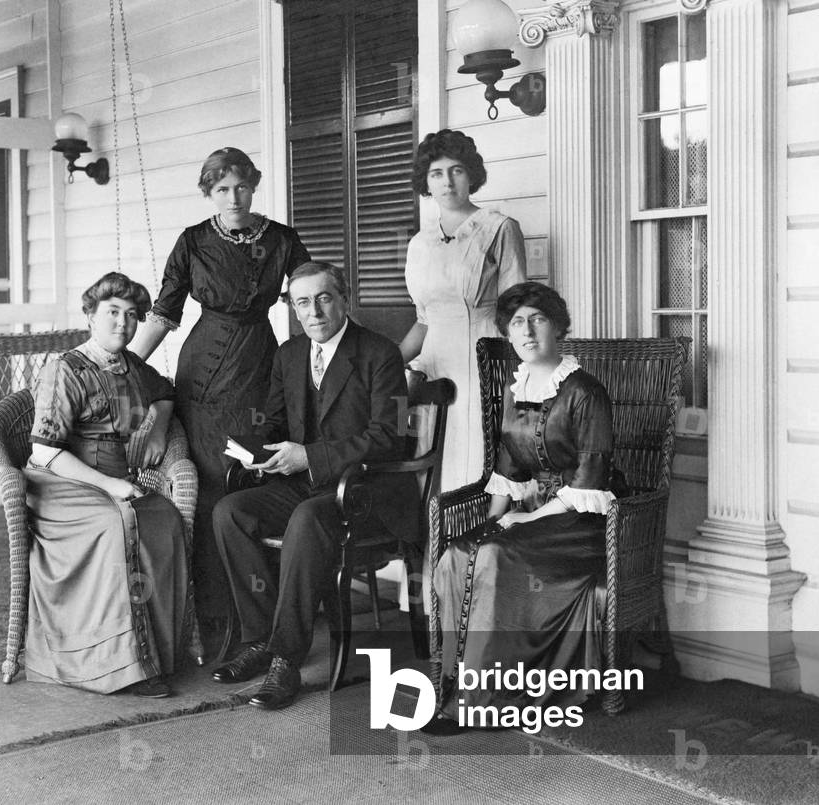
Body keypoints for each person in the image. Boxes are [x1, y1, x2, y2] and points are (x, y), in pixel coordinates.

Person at [210, 261, 417, 711]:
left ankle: (287, 658)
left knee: (307, 518)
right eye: (303, 302)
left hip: (365, 492)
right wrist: (254, 454)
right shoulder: (288, 355)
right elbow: (275, 422)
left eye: (324, 298)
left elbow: (390, 436)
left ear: (344, 298)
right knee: (231, 511)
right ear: (294, 309)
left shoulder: (380, 354)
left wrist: (311, 456)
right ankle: (260, 639)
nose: (314, 311)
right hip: (306, 484)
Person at [425, 282, 617, 734]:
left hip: (583, 525)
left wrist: (524, 519)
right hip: (533, 517)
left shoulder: (587, 392)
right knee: (458, 552)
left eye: (538, 319)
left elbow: (590, 480)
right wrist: (490, 524)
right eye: (516, 322)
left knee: (494, 555)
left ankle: (485, 700)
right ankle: (455, 682)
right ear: (508, 334)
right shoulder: (517, 389)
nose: (527, 331)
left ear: (558, 327)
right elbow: (509, 471)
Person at [130, 147, 310, 625]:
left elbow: (309, 303)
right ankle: (207, 615)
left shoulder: (284, 240)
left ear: (254, 186)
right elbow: (164, 314)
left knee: (251, 475)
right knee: (207, 482)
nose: (234, 196)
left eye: (241, 186)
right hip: (203, 371)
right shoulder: (192, 241)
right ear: (209, 193)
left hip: (260, 365)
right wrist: (122, 365)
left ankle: (260, 609)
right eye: (222, 189)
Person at [24, 272, 188, 697]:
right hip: (62, 482)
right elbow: (45, 453)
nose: (123, 323)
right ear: (91, 317)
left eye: (132, 316)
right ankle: (119, 666)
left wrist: (158, 426)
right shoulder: (65, 369)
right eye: (112, 312)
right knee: (114, 524)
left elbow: (166, 391)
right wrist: (108, 485)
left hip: (116, 478)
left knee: (164, 519)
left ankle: (159, 652)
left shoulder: (132, 367)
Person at [400, 129, 527, 492]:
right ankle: (432, 546)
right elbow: (424, 321)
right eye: (436, 173)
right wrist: (387, 364)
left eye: (456, 170)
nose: (447, 182)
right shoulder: (419, 243)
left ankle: (474, 546)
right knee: (428, 458)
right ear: (426, 181)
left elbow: (515, 316)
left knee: (473, 460)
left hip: (483, 362)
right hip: (432, 367)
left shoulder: (499, 229)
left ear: (471, 174)